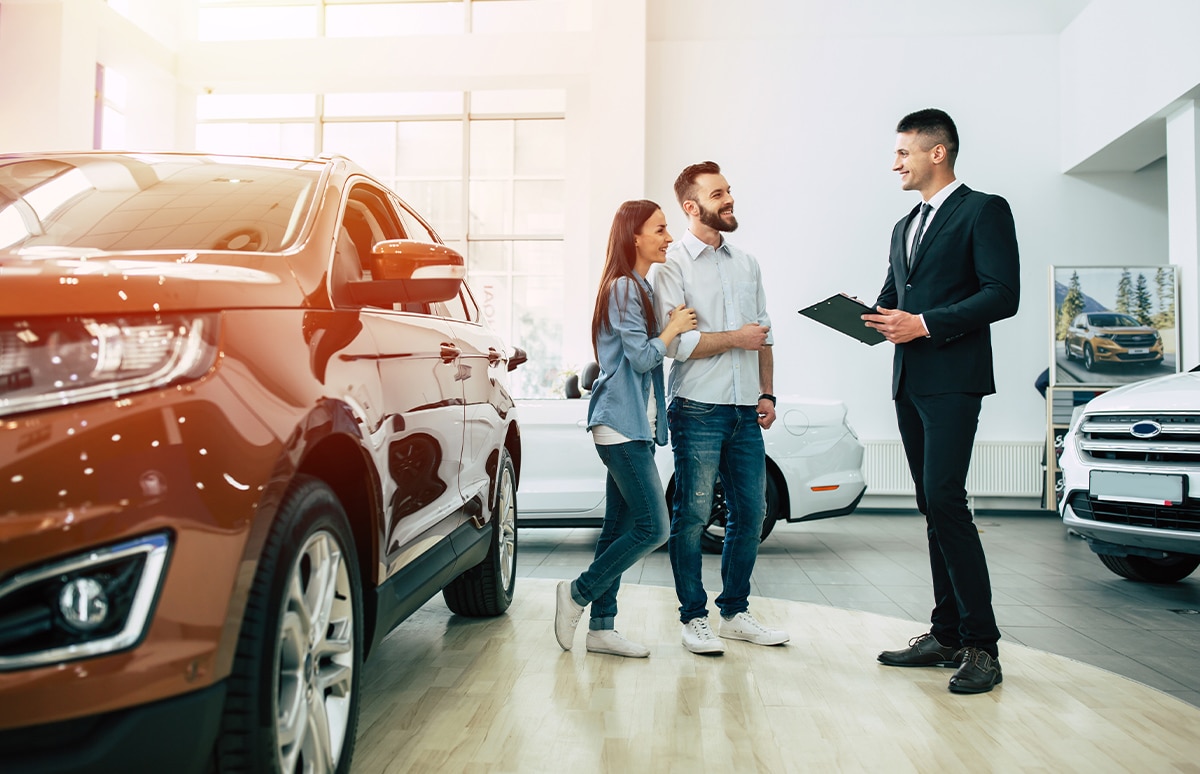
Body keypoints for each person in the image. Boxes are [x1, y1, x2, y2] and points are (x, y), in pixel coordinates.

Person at [862, 109, 1020, 694]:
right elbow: (891, 297)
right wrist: (867, 317)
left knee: (948, 503)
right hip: (910, 382)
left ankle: (983, 646)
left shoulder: (984, 210)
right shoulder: (904, 225)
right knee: (932, 506)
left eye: (903, 152)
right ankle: (947, 632)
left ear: (937, 153)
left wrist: (924, 323)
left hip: (955, 378)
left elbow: (1003, 295)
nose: (895, 163)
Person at [652, 161, 789, 655]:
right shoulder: (671, 267)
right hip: (697, 408)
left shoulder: (746, 263)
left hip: (743, 410)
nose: (729, 199)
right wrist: (735, 338)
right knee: (690, 515)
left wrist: (766, 393)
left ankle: (734, 610)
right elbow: (676, 345)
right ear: (691, 207)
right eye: (718, 194)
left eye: (729, 190)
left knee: (750, 514)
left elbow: (764, 335)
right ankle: (693, 618)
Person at [554, 200, 698, 657]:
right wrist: (673, 327)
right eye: (659, 228)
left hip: (633, 424)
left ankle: (601, 627)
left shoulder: (636, 286)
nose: (668, 237)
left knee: (617, 527)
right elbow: (641, 358)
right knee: (655, 527)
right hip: (618, 423)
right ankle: (577, 592)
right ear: (634, 236)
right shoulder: (622, 288)